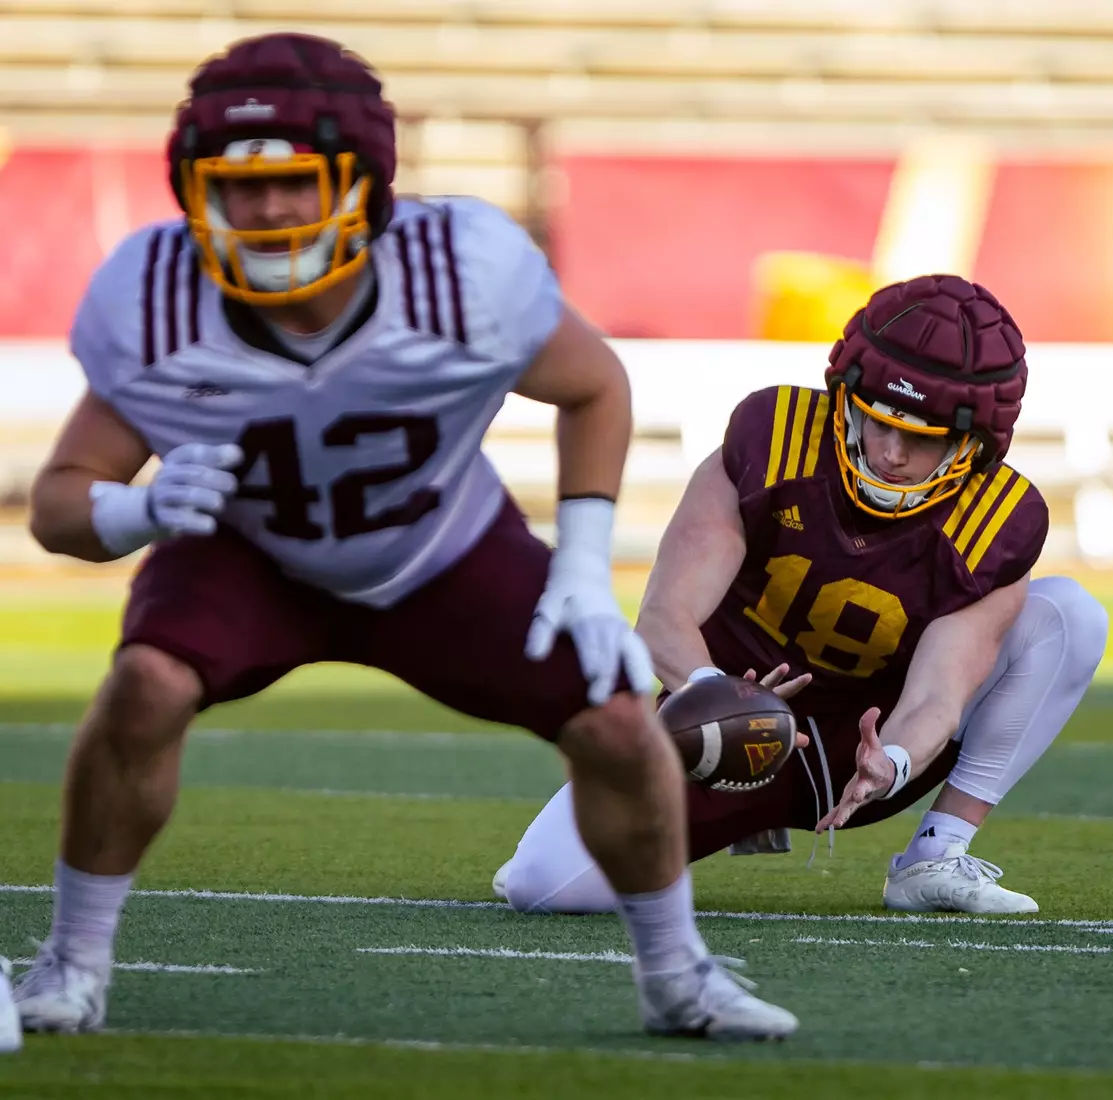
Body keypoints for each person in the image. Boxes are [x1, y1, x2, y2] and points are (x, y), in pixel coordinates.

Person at [11, 33, 795, 1042]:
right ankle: (72, 962)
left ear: (362, 182)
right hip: (253, 551)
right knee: (144, 685)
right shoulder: (154, 299)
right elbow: (60, 503)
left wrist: (583, 565)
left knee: (613, 719)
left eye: (296, 182)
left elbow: (594, 383)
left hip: (440, 547)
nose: (267, 211)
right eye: (237, 188)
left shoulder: (455, 274)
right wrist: (139, 513)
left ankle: (677, 975)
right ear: (193, 191)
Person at [494, 275, 1110, 917]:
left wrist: (894, 762)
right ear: (847, 396)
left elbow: (939, 694)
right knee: (541, 886)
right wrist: (724, 704)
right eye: (878, 422)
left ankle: (937, 852)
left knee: (1067, 616)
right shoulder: (773, 439)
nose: (892, 454)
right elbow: (663, 618)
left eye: (924, 436)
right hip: (725, 730)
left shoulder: (997, 519)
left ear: (971, 443)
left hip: (864, 742)